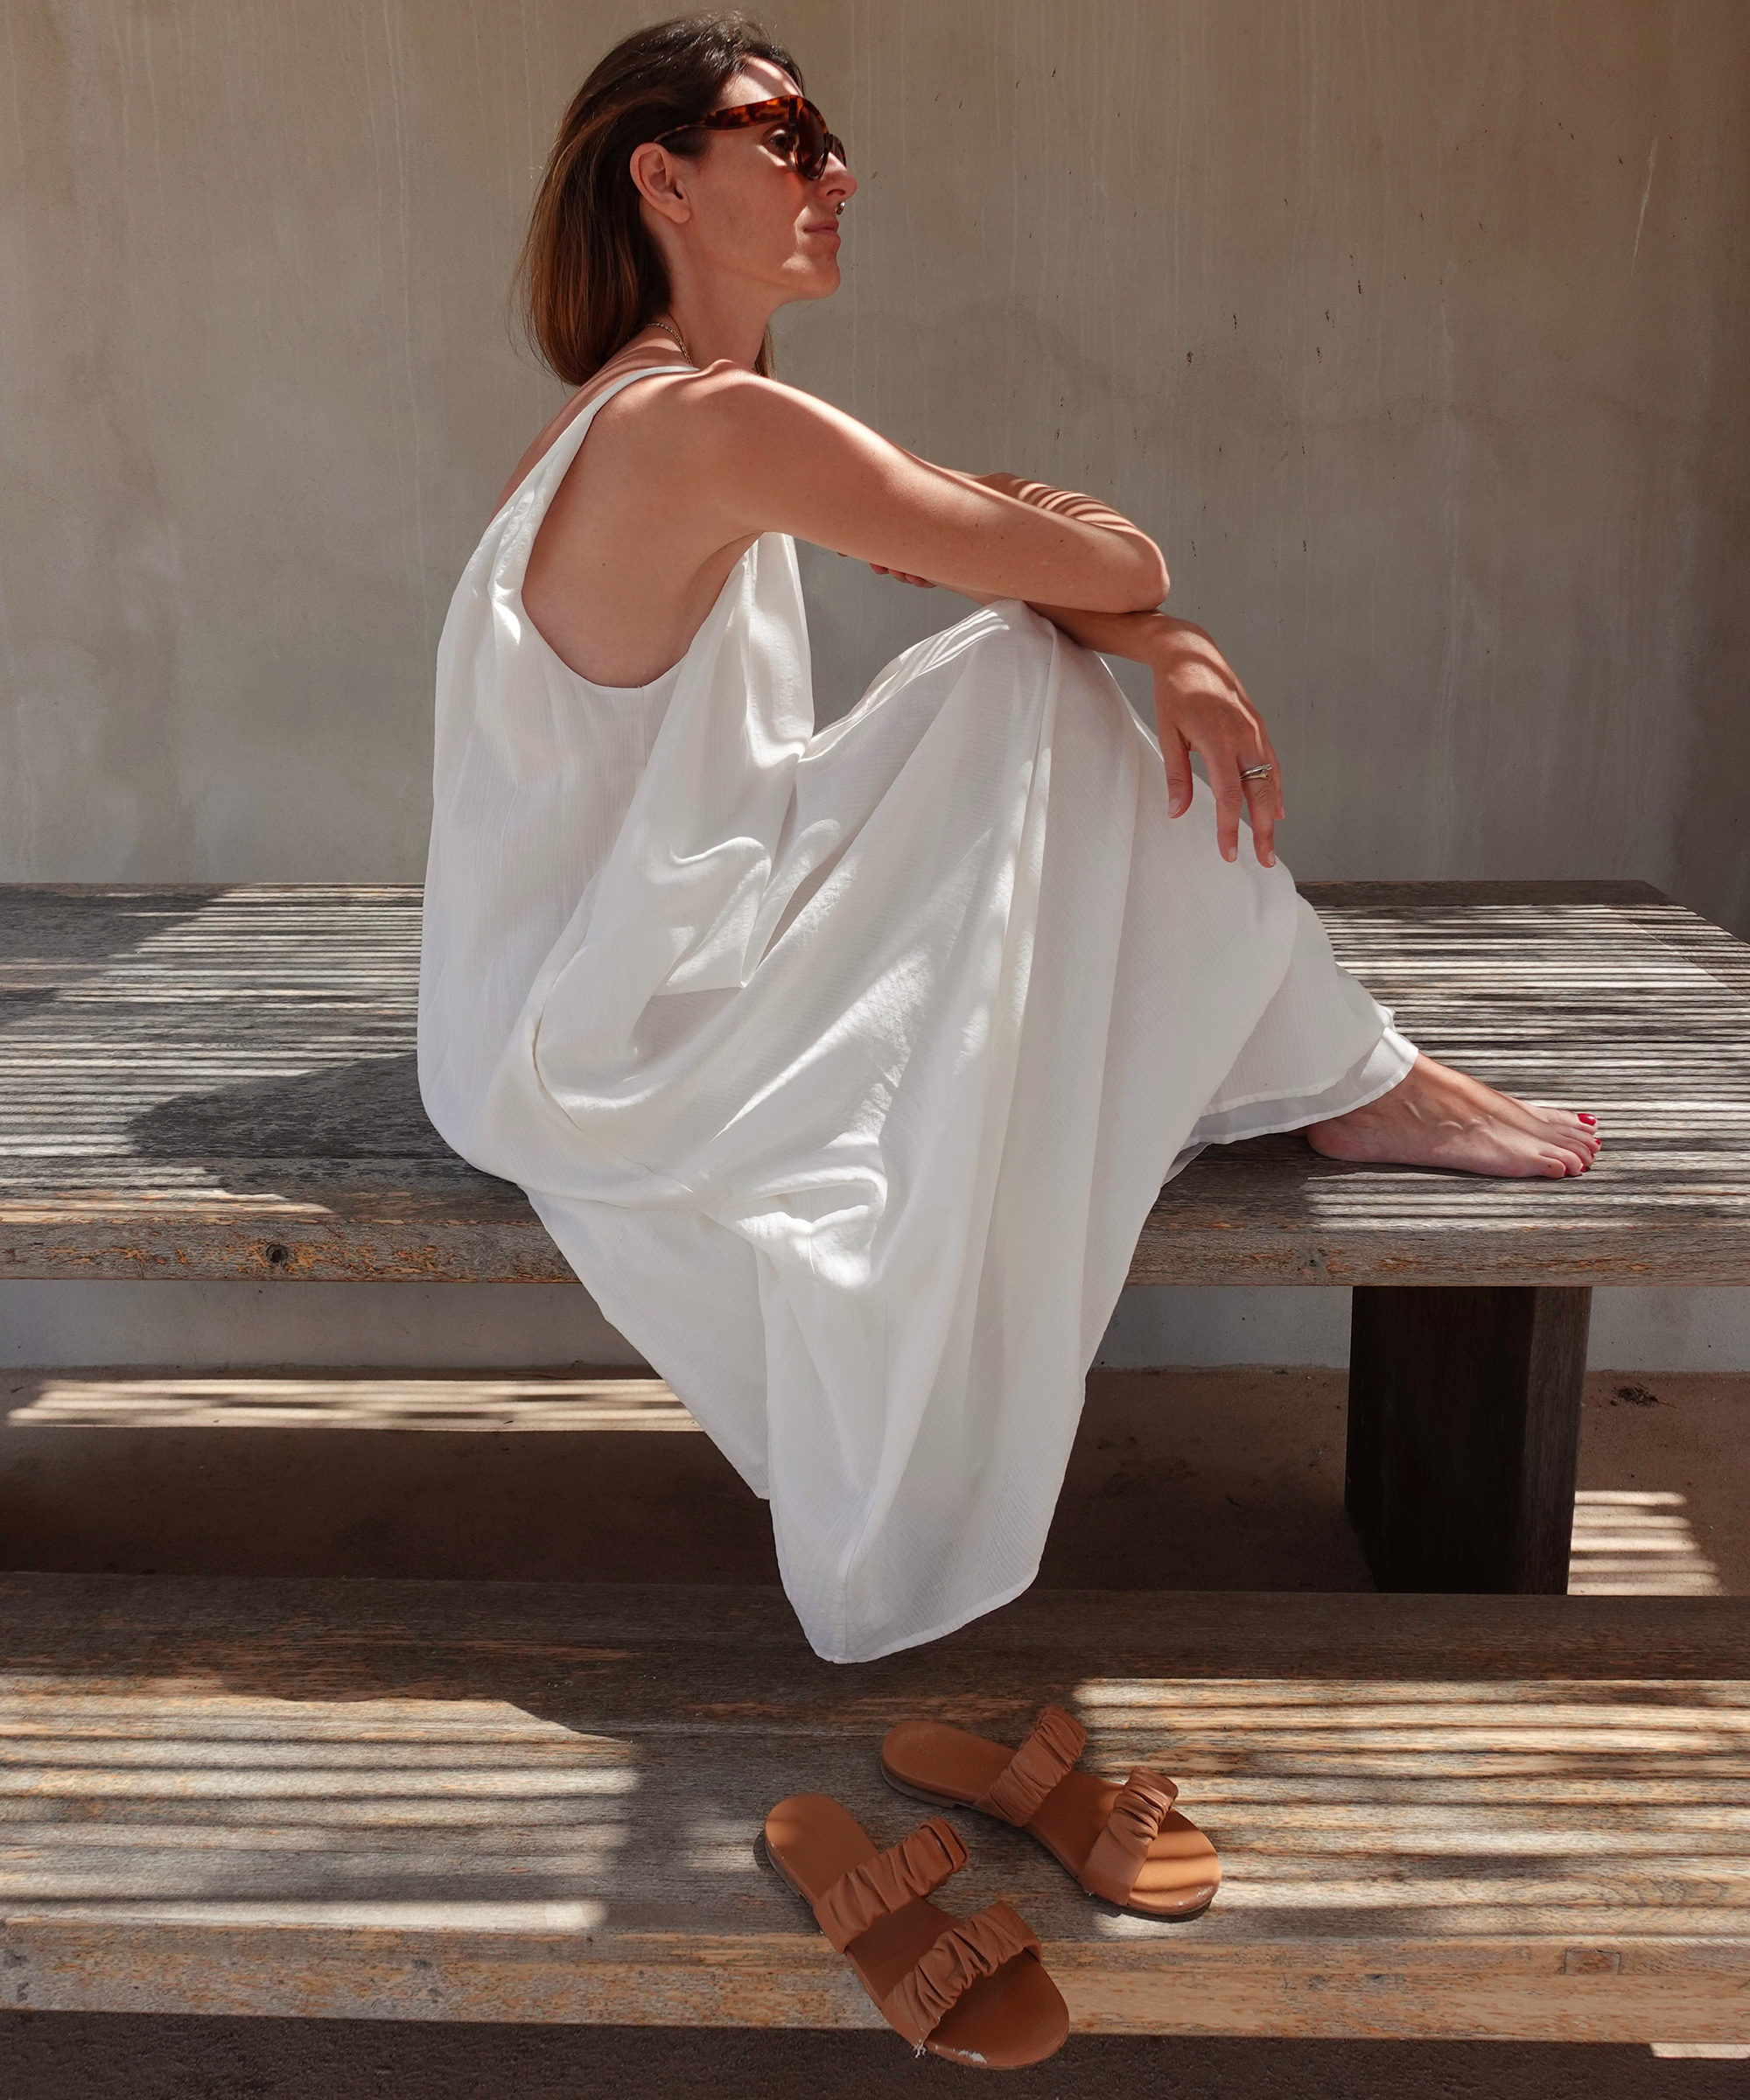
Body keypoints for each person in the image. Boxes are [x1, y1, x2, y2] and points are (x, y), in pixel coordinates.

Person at [417, 13, 1600, 1664]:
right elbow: (1105, 555)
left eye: (829, 141)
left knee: (1013, 675)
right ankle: (1361, 1078)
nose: (838, 172)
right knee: (1024, 684)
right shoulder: (713, 431)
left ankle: (1355, 1073)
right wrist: (1155, 627)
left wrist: (1141, 630)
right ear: (660, 177)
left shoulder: (679, 418)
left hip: (583, 983)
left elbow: (1038, 569)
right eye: (787, 134)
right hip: (602, 1038)